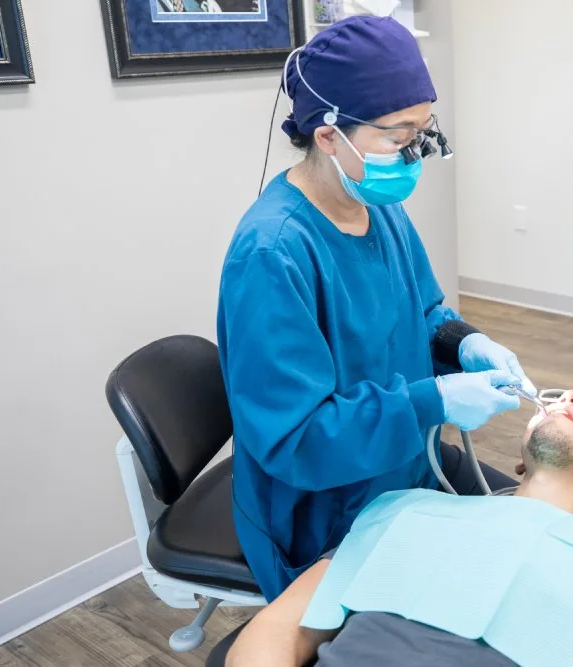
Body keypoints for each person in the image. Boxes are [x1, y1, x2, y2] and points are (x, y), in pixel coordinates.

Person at [217, 15, 534, 602]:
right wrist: (435, 401)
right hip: (323, 508)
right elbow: (297, 439)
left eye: (423, 131)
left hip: (402, 464)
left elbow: (420, 313)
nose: (414, 153)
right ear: (328, 136)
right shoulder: (273, 253)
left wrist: (464, 342)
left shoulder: (378, 206)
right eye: (398, 136)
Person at [218, 389, 573, 667]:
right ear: (520, 459)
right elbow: (278, 630)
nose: (570, 399)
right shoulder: (403, 510)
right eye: (556, 396)